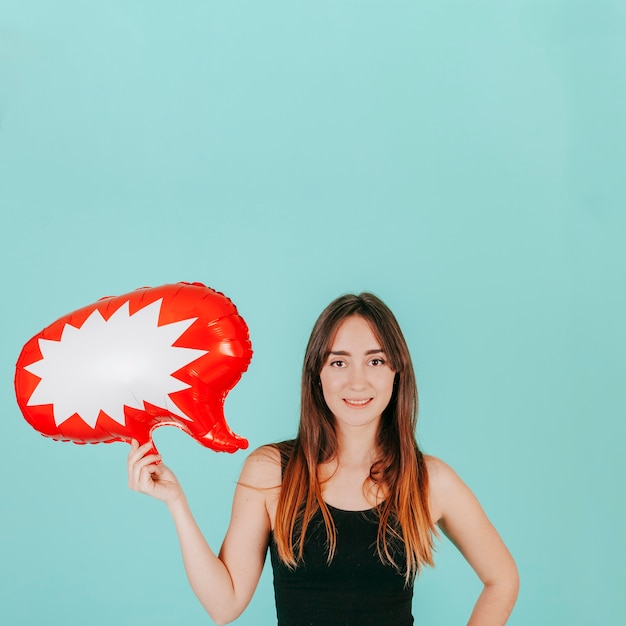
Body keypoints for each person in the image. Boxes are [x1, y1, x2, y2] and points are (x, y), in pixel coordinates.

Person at [128, 293, 519, 625]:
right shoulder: (270, 472)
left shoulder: (429, 480)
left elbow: (503, 578)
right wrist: (176, 503)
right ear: (317, 373)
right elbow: (224, 603)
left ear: (397, 372)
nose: (357, 381)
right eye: (338, 361)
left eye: (376, 361)